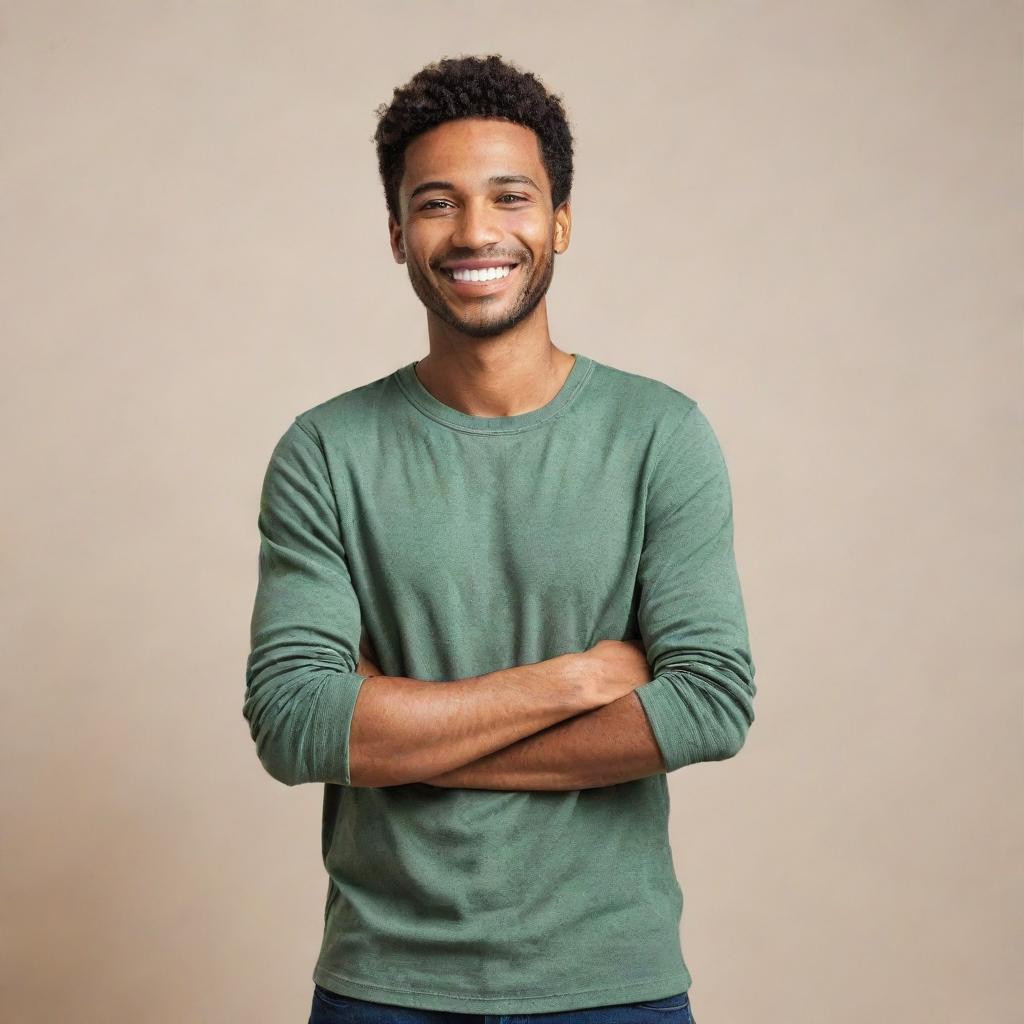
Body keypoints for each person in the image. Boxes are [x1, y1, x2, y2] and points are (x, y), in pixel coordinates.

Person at [243, 53, 756, 1024]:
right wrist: (566, 682)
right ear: (396, 234)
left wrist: (396, 738)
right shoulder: (326, 450)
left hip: (612, 980)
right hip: (383, 983)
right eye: (436, 203)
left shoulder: (659, 433)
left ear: (559, 220)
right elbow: (296, 721)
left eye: (509, 197)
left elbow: (708, 705)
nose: (475, 231)